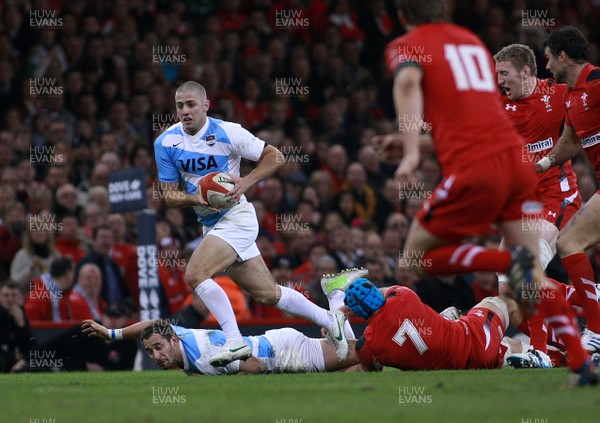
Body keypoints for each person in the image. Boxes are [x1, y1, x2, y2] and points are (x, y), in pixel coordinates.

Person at [373, 0, 594, 384]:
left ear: (403, 16)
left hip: (478, 170)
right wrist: (417, 144)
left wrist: (410, 150)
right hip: (516, 172)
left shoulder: (407, 45)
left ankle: (504, 263)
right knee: (532, 279)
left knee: (415, 256)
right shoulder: (471, 43)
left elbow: (407, 84)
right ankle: (582, 365)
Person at [154, 81, 348, 366]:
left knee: (195, 274)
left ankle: (234, 342)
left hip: (237, 217)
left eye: (191, 105)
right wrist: (197, 197)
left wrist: (245, 182)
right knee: (268, 294)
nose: (185, 111)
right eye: (180, 105)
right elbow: (170, 196)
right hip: (211, 223)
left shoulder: (228, 132)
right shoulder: (166, 142)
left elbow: (275, 156)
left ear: (206, 106)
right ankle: (332, 321)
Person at [494, 43, 600, 354]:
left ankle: (538, 351)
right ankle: (586, 303)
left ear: (525, 72)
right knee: (506, 288)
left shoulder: (558, 95)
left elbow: (579, 119)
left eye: (504, 73)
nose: (498, 80)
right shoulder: (501, 109)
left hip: (557, 198)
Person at [535, 26, 600, 353]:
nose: (546, 68)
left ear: (563, 56)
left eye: (548, 59)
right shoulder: (573, 97)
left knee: (570, 241)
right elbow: (571, 141)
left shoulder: (597, 82)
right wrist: (543, 164)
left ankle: (598, 332)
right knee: (571, 243)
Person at [334, 277, 551, 372]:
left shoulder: (369, 346)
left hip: (468, 362)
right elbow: (384, 293)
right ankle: (545, 350)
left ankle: (548, 355)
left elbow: (369, 368)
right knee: (505, 300)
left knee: (510, 347)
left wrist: (341, 313)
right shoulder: (403, 295)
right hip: (472, 337)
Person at [81, 318, 359, 375]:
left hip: (285, 354)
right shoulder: (175, 335)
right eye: (151, 351)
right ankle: (335, 320)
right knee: (360, 367)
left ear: (174, 341)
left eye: (158, 348)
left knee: (366, 353)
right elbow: (152, 323)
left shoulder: (205, 357)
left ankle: (337, 301)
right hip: (276, 343)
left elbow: (257, 366)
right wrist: (112, 333)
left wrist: (228, 382)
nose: (156, 356)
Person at [24, 256, 74, 322]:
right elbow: (31, 325)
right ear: (68, 273)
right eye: (73, 272)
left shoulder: (61, 293)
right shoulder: (40, 295)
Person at [0, 280, 35, 372]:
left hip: (16, 360)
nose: (10, 299)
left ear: (20, 297)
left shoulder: (21, 314)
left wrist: (21, 324)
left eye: (14, 295)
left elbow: (31, 346)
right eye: (6, 295)